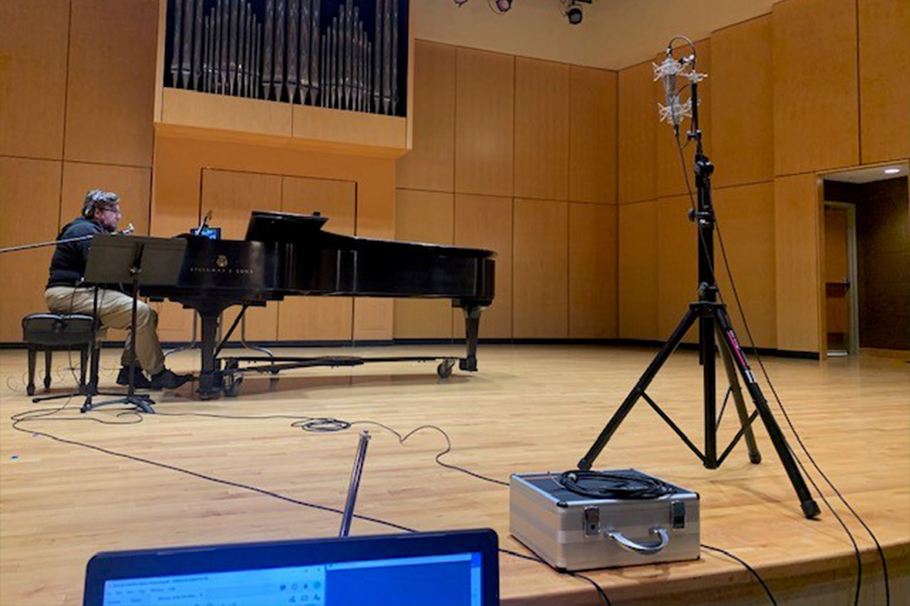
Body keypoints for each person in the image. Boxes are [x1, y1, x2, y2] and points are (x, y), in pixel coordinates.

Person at [45, 190, 191, 390]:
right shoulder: (81, 230)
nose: (119, 217)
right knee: (140, 313)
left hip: (82, 292)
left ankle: (131, 371)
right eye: (114, 212)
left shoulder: (95, 232)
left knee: (148, 315)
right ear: (97, 212)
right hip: (68, 293)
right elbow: (101, 268)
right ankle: (158, 373)